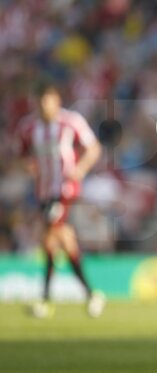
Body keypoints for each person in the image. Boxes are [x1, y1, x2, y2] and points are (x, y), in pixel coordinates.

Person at [14, 81, 105, 319]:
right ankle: (91, 294)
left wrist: (81, 170)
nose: (45, 106)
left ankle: (45, 300)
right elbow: (21, 153)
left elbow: (93, 148)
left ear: (57, 101)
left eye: (48, 101)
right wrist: (29, 166)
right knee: (61, 240)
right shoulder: (29, 127)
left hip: (65, 188)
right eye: (41, 102)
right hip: (43, 191)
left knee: (51, 236)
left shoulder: (70, 121)